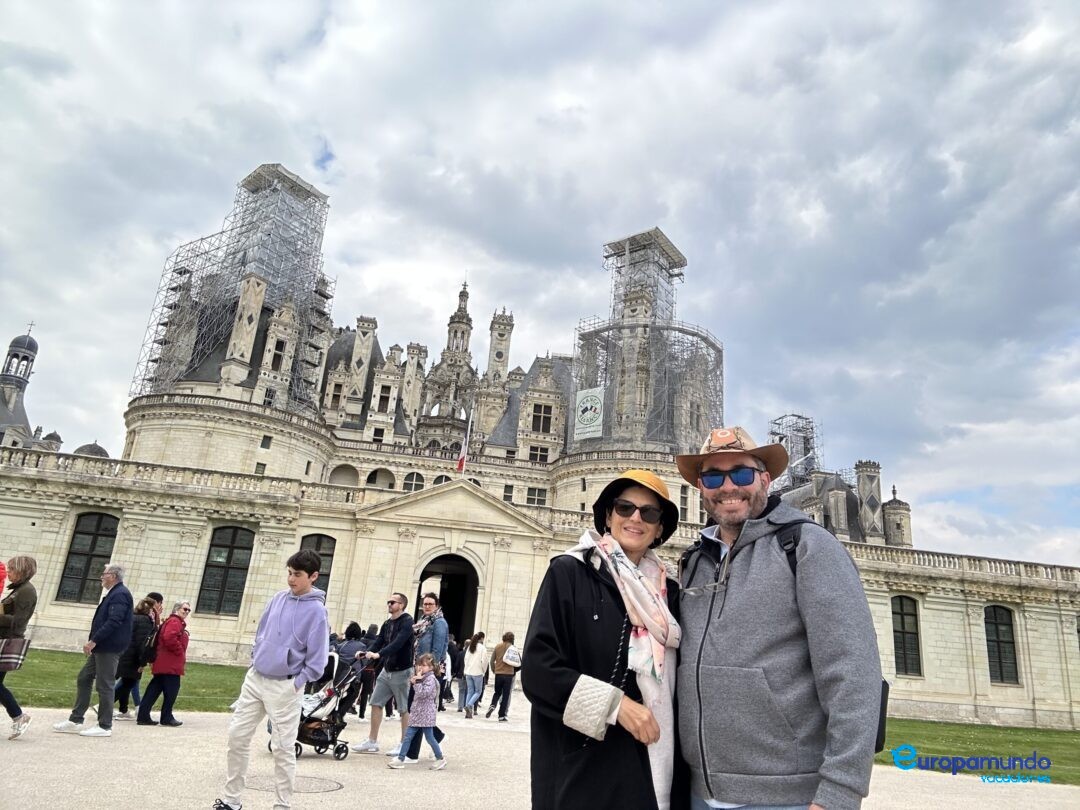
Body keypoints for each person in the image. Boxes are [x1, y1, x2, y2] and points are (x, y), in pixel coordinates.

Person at [675, 426, 881, 810]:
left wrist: (840, 792)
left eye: (740, 473)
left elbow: (853, 674)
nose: (727, 486)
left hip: (785, 798)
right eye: (713, 476)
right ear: (701, 487)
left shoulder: (807, 547)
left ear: (765, 479)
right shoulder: (695, 561)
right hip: (699, 794)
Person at [522, 469, 683, 810]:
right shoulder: (570, 572)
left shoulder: (670, 596)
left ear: (659, 529)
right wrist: (616, 706)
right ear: (608, 516)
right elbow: (538, 671)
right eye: (625, 508)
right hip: (583, 765)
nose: (635, 518)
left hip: (651, 761)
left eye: (649, 513)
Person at [213, 549, 330, 810]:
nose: (291, 579)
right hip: (256, 679)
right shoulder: (277, 598)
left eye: (297, 575)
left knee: (282, 747)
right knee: (237, 737)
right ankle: (232, 800)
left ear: (313, 576)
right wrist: (256, 658)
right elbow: (261, 632)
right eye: (289, 573)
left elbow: (318, 661)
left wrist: (296, 683)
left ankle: (282, 804)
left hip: (285, 686)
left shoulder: (317, 613)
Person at [52, 562, 134, 738]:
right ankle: (76, 720)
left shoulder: (120, 594)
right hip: (103, 646)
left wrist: (93, 641)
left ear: (112, 575)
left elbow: (114, 620)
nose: (101, 577)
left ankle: (105, 725)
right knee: (84, 677)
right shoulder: (114, 593)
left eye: (104, 574)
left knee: (105, 684)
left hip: (108, 647)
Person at [350, 592, 414, 755]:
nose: (389, 604)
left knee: (403, 708)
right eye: (388, 602)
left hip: (402, 670)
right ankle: (372, 741)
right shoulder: (387, 623)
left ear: (401, 605)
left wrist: (379, 654)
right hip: (387, 669)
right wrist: (366, 652)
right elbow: (379, 641)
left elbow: (398, 642)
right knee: (376, 702)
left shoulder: (407, 621)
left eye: (393, 602)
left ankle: (403, 744)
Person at [403, 592, 449, 760]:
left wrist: (426, 673)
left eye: (430, 604)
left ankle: (411, 753)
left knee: (415, 708)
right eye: (425, 603)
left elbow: (436, 651)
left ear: (436, 605)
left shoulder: (439, 623)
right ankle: (437, 736)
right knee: (415, 709)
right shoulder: (424, 622)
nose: (427, 606)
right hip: (420, 670)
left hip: (428, 673)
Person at [387, 653, 446, 770]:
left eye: (423, 665)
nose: (420, 668)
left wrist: (417, 682)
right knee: (408, 736)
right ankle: (401, 758)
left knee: (430, 738)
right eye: (419, 665)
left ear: (431, 667)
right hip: (418, 713)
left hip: (426, 714)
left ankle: (440, 758)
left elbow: (423, 694)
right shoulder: (423, 678)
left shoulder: (431, 679)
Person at [0, 555, 38, 740]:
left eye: (12, 569)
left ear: (22, 571)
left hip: (7, 640)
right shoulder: (18, 589)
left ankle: (19, 716)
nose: (8, 573)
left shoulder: (26, 591)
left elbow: (19, 621)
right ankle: (18, 716)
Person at [137, 599, 191, 727]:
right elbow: (169, 638)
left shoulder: (174, 621)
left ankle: (143, 715)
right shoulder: (174, 621)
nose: (187, 612)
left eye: (188, 610)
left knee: (154, 689)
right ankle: (166, 717)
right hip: (170, 663)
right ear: (177, 609)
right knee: (172, 690)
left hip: (164, 662)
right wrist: (180, 651)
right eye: (185, 609)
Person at [114, 597, 158, 720]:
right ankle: (103, 705)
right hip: (133, 658)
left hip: (125, 654)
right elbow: (142, 644)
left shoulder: (133, 618)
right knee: (128, 683)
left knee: (126, 683)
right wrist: (142, 662)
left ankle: (122, 710)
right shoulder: (145, 621)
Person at [484, 631, 519, 721]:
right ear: (512, 639)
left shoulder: (497, 646)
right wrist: (514, 671)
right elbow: (518, 663)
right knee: (506, 696)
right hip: (509, 675)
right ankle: (501, 715)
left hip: (498, 674)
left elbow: (492, 661)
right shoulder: (513, 648)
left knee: (497, 692)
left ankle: (493, 705)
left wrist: (494, 670)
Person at [461, 631, 488, 719]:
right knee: (478, 692)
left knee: (470, 691)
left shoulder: (470, 647)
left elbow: (466, 659)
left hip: (468, 672)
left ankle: (468, 713)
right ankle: (468, 705)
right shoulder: (482, 648)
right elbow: (484, 661)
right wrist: (483, 671)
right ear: (482, 638)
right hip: (478, 672)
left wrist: (465, 670)